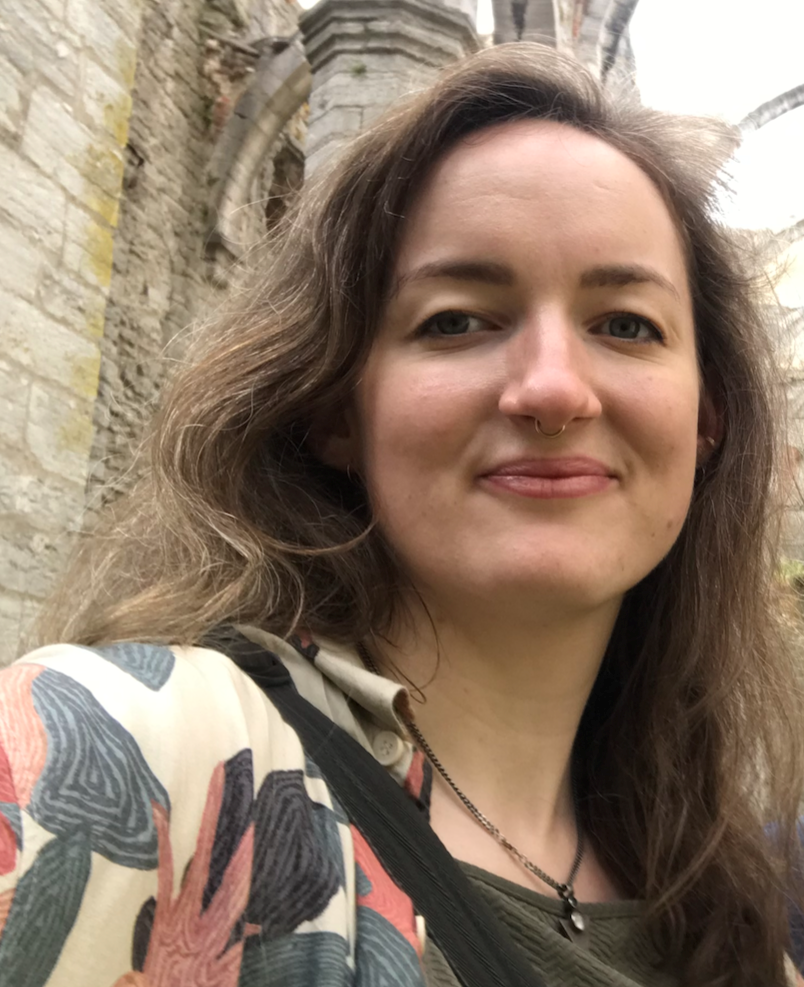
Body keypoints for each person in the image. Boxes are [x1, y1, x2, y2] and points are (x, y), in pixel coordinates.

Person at [1, 42, 802, 987]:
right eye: (456, 319)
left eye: (627, 324)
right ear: (337, 410)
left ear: (707, 417)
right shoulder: (119, 747)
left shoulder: (723, 898)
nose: (553, 388)